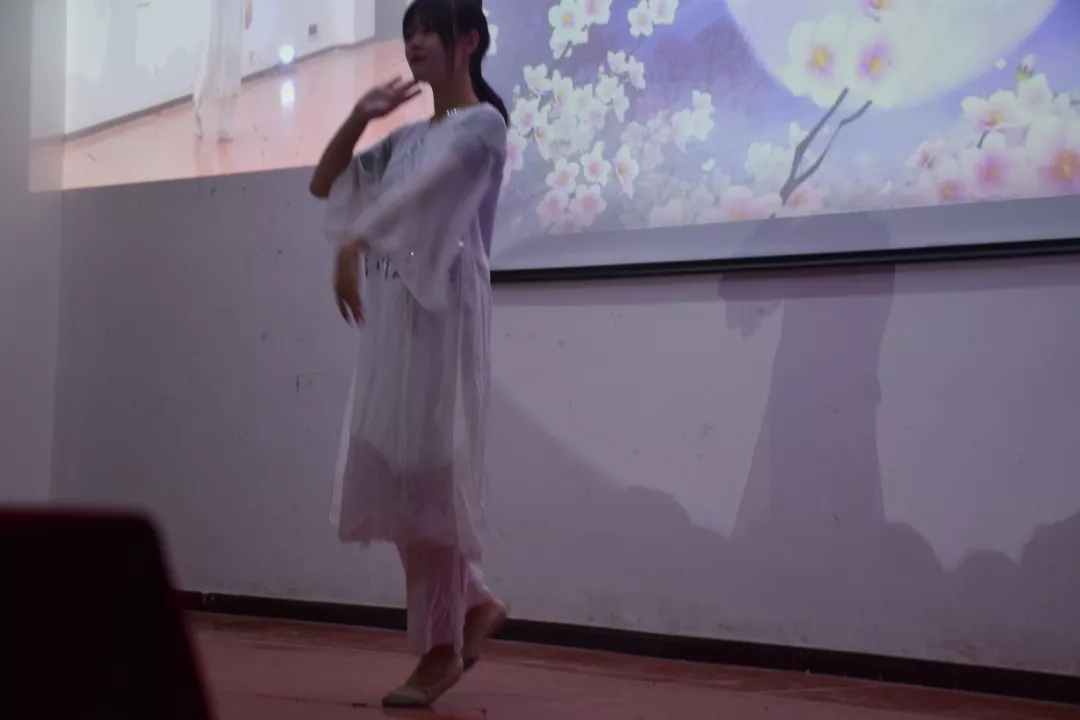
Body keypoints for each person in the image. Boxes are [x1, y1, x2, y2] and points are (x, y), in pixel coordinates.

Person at [308, 0, 510, 709]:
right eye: (410, 32)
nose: (416, 42)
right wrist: (359, 115)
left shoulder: (483, 126)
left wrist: (355, 242)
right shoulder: (405, 138)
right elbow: (325, 181)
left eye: (429, 30)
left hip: (444, 320)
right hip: (394, 321)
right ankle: (474, 602)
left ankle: (439, 650)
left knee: (429, 482)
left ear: (469, 41)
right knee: (398, 477)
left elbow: (430, 192)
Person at [193, 0, 252, 142]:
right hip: (220, 8)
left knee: (233, 60)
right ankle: (199, 111)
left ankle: (225, 126)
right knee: (214, 59)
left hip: (236, 7)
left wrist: (250, 6)